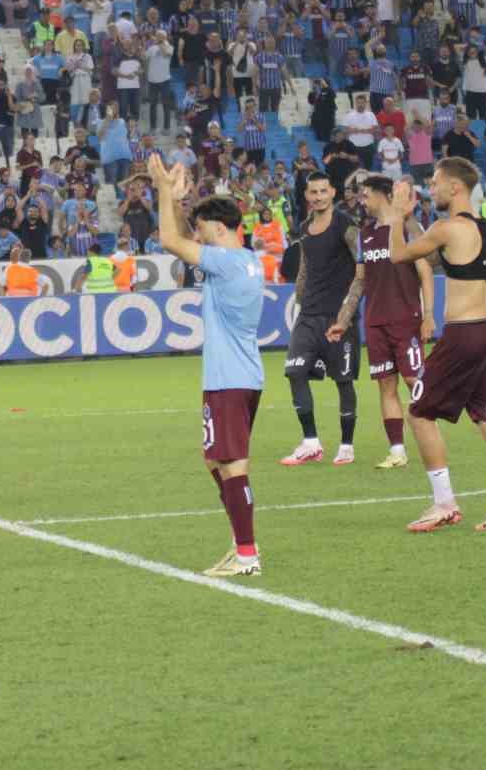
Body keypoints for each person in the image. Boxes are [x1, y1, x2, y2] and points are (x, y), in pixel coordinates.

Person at [147, 153, 266, 578]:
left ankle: (247, 553)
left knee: (232, 463)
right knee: (214, 459)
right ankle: (241, 539)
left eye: (202, 230)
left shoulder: (228, 261)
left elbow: (171, 243)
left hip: (228, 378)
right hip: (243, 375)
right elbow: (182, 239)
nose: (197, 237)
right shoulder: (246, 259)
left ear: (218, 229)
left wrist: (163, 191)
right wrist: (178, 206)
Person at [387, 158, 486, 534]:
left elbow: (399, 255)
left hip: (462, 334)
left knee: (419, 413)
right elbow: (435, 255)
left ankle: (444, 503)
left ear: (456, 187)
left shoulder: (446, 228)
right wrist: (412, 221)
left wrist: (397, 215)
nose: (432, 187)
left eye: (436, 181)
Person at [334, 175, 434, 471]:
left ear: (385, 195)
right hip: (375, 322)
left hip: (406, 320)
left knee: (415, 382)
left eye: (366, 195)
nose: (362, 201)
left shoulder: (406, 227)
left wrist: (429, 315)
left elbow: (426, 272)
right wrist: (343, 318)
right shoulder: (365, 234)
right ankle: (397, 451)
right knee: (386, 387)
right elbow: (361, 279)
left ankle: (431, 441)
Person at [281, 173, 362, 467]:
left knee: (343, 381)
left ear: (333, 193)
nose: (318, 196)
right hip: (309, 316)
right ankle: (311, 442)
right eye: (313, 192)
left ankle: (346, 445)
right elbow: (304, 267)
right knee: (294, 372)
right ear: (306, 195)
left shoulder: (346, 226)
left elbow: (362, 269)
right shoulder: (304, 228)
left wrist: (347, 313)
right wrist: (300, 299)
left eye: (323, 191)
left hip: (339, 317)